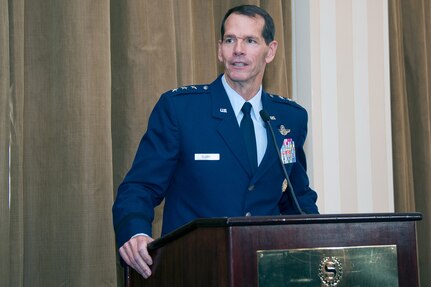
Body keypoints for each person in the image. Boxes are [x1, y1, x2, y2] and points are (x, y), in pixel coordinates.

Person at [112, 4, 318, 279]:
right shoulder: (181, 110)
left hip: (266, 271)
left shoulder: (289, 118)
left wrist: (319, 242)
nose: (238, 50)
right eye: (230, 40)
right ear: (219, 49)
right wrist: (135, 233)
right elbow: (139, 187)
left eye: (250, 41)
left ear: (270, 51)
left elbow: (295, 196)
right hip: (192, 268)